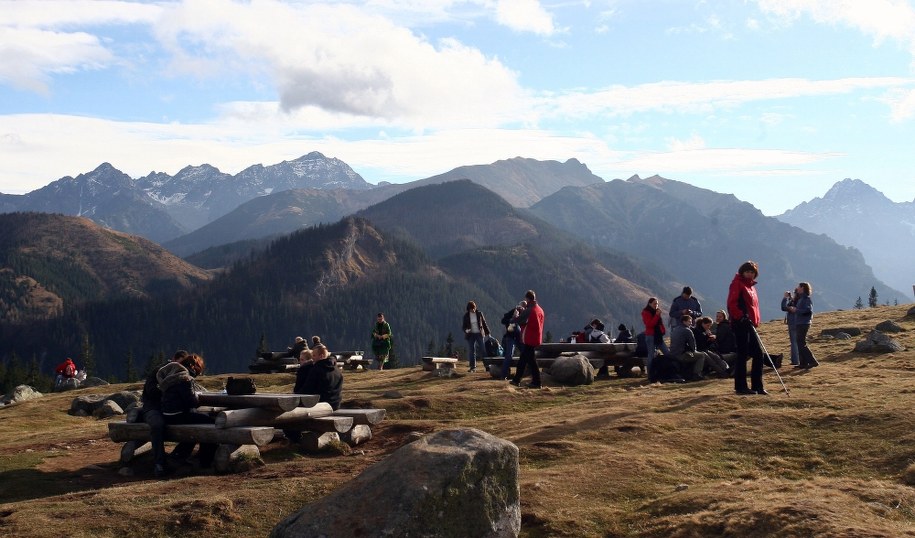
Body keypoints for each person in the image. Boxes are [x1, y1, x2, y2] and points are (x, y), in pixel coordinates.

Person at [157, 353, 217, 470]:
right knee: (211, 422)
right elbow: (191, 402)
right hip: (178, 415)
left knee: (202, 420)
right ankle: (205, 461)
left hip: (167, 415)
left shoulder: (173, 375)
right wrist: (197, 397)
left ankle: (180, 456)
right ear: (194, 367)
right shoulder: (185, 378)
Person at [141, 350, 194, 478]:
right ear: (174, 359)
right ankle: (159, 463)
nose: (179, 367)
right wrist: (169, 391)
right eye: (179, 363)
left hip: (173, 410)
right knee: (157, 425)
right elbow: (151, 391)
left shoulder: (183, 375)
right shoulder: (159, 371)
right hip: (154, 408)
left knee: (196, 423)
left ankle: (177, 457)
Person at [727, 260, 766, 396]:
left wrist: (755, 320)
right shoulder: (737, 284)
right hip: (741, 324)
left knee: (758, 354)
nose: (750, 274)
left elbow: (754, 307)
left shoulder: (751, 287)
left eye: (752, 272)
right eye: (747, 272)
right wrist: (740, 316)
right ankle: (741, 387)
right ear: (742, 272)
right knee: (742, 354)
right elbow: (732, 303)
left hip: (750, 324)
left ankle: (757, 386)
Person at [510, 290, 544, 389]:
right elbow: (529, 321)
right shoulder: (539, 309)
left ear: (527, 299)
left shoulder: (530, 310)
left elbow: (518, 320)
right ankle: (517, 379)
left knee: (532, 361)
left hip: (529, 337)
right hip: (536, 337)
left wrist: (515, 315)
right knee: (523, 359)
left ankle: (537, 382)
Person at [789, 282, 819, 369]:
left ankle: (813, 361)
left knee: (801, 343)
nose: (797, 288)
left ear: (802, 288)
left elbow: (808, 310)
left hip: (803, 323)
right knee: (799, 343)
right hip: (800, 322)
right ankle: (803, 363)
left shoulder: (806, 299)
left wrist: (796, 310)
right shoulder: (801, 298)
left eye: (798, 287)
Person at [668, 315, 707, 381]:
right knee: (702, 355)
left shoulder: (675, 329)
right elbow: (693, 346)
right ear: (684, 322)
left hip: (672, 354)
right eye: (689, 321)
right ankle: (696, 374)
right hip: (680, 355)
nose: (691, 323)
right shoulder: (687, 330)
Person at [641, 297, 670, 382]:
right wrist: (657, 315)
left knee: (667, 353)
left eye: (657, 304)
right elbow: (650, 324)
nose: (656, 305)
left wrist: (663, 330)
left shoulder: (656, 312)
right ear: (650, 304)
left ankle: (667, 371)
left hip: (658, 336)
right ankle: (650, 375)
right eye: (654, 304)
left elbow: (660, 323)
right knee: (651, 355)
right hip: (650, 336)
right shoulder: (646, 312)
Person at [500, 300, 526, 380]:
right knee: (509, 355)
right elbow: (503, 320)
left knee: (525, 353)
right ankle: (503, 375)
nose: (522, 308)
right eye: (521, 306)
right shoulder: (513, 311)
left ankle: (525, 373)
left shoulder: (525, 313)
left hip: (519, 336)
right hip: (511, 336)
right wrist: (512, 319)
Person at [462, 301, 491, 373]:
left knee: (483, 350)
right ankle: (472, 367)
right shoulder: (466, 316)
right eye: (471, 309)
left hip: (479, 334)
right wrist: (466, 330)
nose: (473, 310)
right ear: (469, 309)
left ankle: (487, 366)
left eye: (474, 308)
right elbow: (463, 327)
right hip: (470, 335)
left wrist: (488, 333)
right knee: (472, 351)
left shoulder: (479, 314)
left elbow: (484, 323)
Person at [781, 290, 800, 366]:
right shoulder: (801, 301)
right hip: (800, 323)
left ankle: (795, 360)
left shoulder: (794, 303)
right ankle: (799, 359)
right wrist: (791, 298)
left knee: (794, 342)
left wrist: (785, 298)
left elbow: (783, 307)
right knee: (799, 342)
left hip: (793, 323)